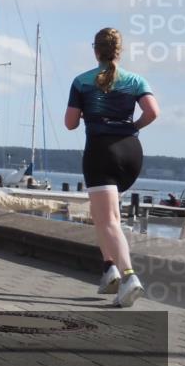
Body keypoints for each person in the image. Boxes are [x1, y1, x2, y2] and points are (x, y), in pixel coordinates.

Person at [65, 27, 159, 308]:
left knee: (108, 221)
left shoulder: (82, 82)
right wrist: (132, 126)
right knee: (103, 214)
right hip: (130, 152)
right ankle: (110, 270)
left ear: (96, 50)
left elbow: (70, 123)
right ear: (119, 50)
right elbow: (152, 112)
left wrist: (88, 112)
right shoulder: (136, 80)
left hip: (101, 152)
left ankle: (129, 277)